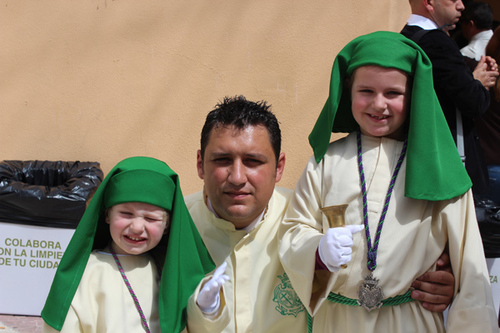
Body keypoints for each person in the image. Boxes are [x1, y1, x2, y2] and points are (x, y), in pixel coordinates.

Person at [278, 31, 497, 332]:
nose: (378, 104)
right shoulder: (326, 161)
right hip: (339, 321)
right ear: (348, 91)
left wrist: (453, 284)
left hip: (410, 320)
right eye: (366, 91)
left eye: (393, 93)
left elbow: (469, 268)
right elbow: (294, 229)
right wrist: (317, 250)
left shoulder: (439, 166)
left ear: (414, 95)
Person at [185, 96, 458, 332]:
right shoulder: (172, 227)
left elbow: (371, 266)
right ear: (200, 163)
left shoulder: (308, 219)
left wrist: (432, 282)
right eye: (222, 160)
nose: (237, 177)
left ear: (279, 167)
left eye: (253, 161)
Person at [41, 156, 215, 333]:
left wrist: (205, 310)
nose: (137, 227)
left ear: (167, 225)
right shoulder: (88, 272)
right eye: (126, 214)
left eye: (150, 218)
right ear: (107, 215)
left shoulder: (170, 270)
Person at [401, 0, 499, 196]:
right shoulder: (437, 41)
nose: (461, 6)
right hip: (450, 164)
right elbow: (473, 102)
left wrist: (471, 79)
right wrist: (479, 82)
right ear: (429, 2)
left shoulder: (407, 35)